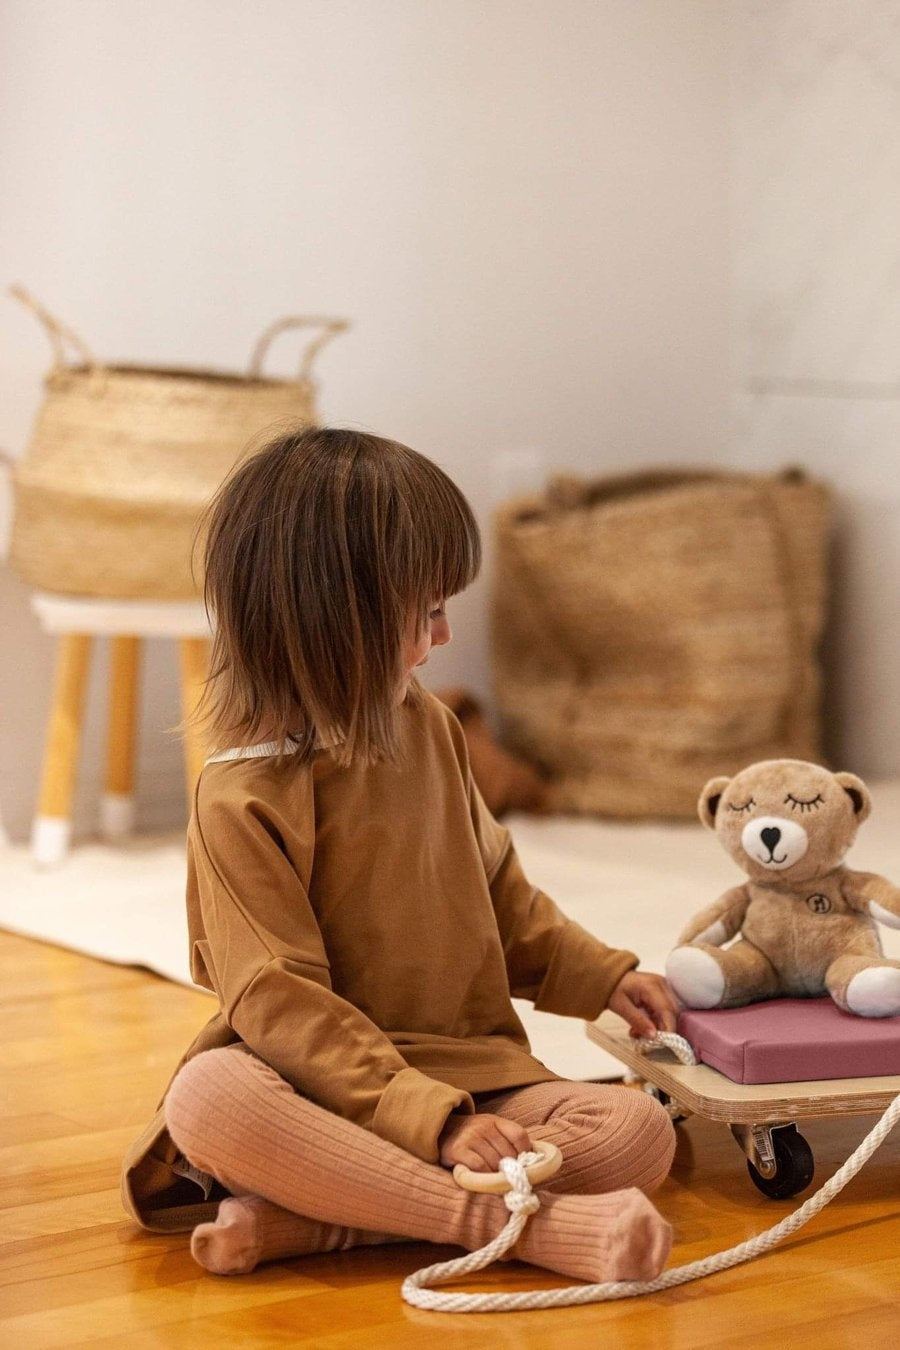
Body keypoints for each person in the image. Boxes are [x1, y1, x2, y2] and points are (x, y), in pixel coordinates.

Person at [121, 426, 679, 1285]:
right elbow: (280, 1002)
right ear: (331, 621)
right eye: (424, 614)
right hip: (321, 1092)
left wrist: (599, 975)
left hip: (474, 1073)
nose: (446, 635)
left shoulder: (429, 725)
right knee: (210, 1101)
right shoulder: (238, 798)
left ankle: (310, 1225)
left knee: (637, 1132)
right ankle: (513, 1229)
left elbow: (498, 891)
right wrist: (432, 1126)